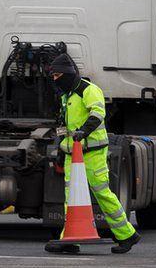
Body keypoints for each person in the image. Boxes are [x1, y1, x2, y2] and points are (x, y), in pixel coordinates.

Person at [44, 52, 140, 255]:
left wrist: (83, 132)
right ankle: (68, 239)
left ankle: (127, 235)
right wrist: (61, 147)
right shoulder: (66, 96)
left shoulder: (89, 90)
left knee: (102, 193)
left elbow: (98, 114)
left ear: (68, 74)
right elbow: (63, 125)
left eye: (57, 75)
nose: (55, 80)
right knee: (71, 197)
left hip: (92, 152)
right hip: (72, 154)